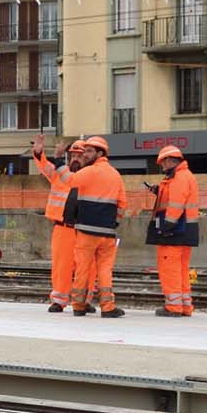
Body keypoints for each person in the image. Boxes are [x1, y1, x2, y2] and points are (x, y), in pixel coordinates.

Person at [62, 135, 127, 317]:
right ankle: (108, 307)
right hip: (107, 232)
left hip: (86, 231)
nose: (85, 154)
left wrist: (59, 162)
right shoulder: (115, 175)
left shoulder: (90, 171)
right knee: (105, 269)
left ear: (100, 153)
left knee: (82, 268)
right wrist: (114, 222)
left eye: (89, 151)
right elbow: (122, 204)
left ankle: (78, 306)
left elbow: (69, 180)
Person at [28, 133, 88, 313]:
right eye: (73, 155)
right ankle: (59, 300)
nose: (75, 159)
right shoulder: (58, 173)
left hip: (85, 228)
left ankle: (83, 301)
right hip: (63, 228)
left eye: (79, 156)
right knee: (62, 266)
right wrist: (38, 152)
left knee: (85, 267)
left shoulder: (91, 176)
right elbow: (44, 165)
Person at [146, 144, 201, 316]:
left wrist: (166, 227)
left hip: (174, 230)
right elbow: (176, 198)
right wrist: (158, 191)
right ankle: (184, 306)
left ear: (170, 160)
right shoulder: (184, 176)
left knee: (170, 269)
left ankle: (173, 307)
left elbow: (176, 204)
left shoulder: (179, 177)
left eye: (163, 163)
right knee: (181, 269)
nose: (162, 166)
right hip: (185, 230)